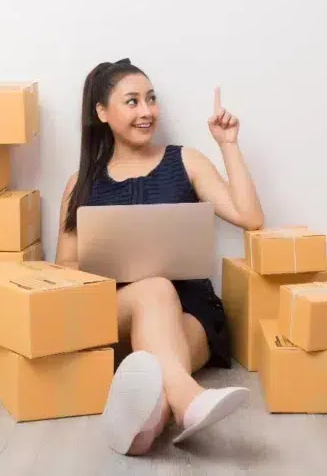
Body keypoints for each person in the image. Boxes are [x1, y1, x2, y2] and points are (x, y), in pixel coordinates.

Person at [54, 58, 264, 456]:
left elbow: (250, 218)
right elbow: (64, 267)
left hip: (191, 313)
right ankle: (189, 400)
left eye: (151, 99)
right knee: (153, 290)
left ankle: (148, 428)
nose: (147, 111)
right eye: (131, 102)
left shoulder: (185, 161)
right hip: (116, 310)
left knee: (160, 361)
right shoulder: (80, 184)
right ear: (102, 113)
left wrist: (228, 145)